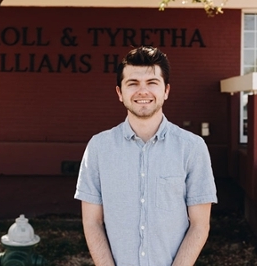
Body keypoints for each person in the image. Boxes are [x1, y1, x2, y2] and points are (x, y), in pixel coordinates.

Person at [74, 46, 217, 266]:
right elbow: (92, 221)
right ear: (119, 93)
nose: (143, 91)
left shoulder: (192, 148)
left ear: (166, 90)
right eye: (133, 84)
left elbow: (200, 225)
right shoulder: (98, 148)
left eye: (152, 83)